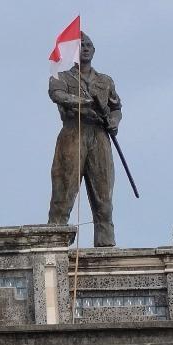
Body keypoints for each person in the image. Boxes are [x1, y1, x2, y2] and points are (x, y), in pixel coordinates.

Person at [47, 32, 122, 247]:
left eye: (89, 45)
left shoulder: (105, 80)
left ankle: (105, 244)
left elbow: (116, 108)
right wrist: (85, 102)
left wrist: (114, 121)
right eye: (81, 45)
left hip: (100, 135)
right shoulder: (61, 76)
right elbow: (57, 95)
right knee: (64, 189)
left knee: (104, 196)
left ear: (94, 50)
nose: (85, 48)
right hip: (74, 132)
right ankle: (53, 243)